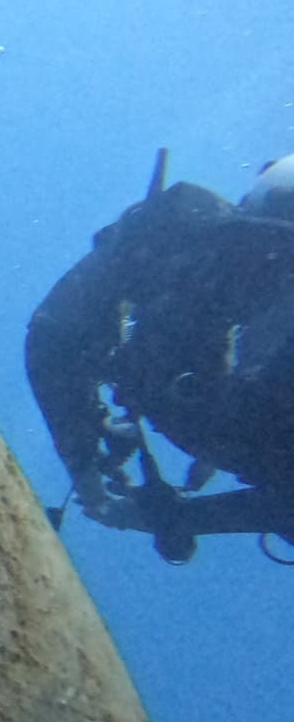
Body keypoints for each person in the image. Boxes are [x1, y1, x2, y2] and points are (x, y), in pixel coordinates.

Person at [25, 148, 294, 563]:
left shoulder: (178, 235)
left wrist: (89, 467)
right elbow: (53, 335)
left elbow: (52, 335)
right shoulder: (175, 235)